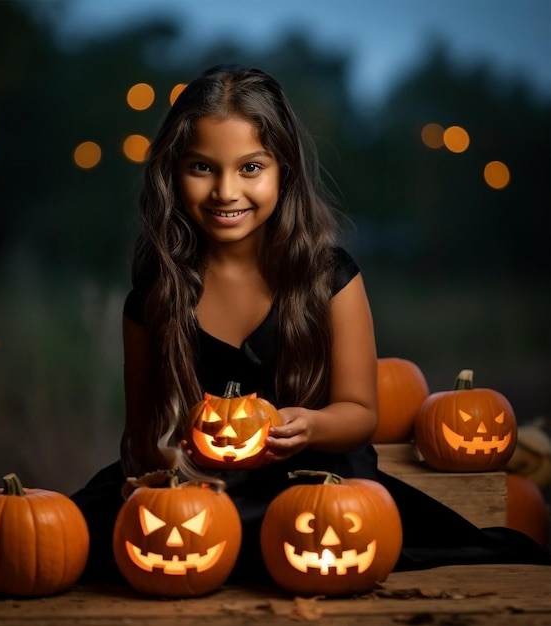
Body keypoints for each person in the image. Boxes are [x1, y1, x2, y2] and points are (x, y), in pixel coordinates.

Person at [70, 64, 549, 583]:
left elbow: (361, 413)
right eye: (202, 167)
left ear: (285, 171)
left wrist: (309, 426)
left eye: (250, 168)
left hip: (313, 479)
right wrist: (173, 458)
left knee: (310, 530)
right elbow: (141, 436)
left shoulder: (329, 277)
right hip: (199, 489)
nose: (226, 191)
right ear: (172, 172)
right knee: (78, 536)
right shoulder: (152, 300)